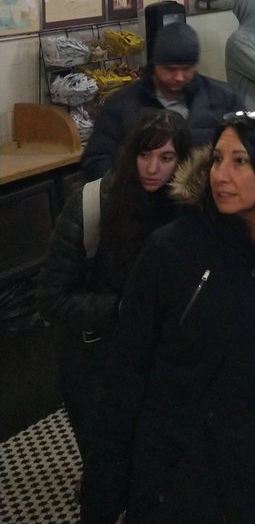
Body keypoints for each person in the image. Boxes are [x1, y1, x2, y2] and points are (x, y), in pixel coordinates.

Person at [79, 112, 255, 524]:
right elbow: (125, 378)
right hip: (176, 476)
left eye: (240, 162)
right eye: (218, 159)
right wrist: (101, 502)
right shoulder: (172, 252)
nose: (221, 175)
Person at [37, 111, 191, 464]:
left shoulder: (187, 210)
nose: (152, 168)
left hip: (158, 357)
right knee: (105, 455)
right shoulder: (91, 205)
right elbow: (50, 299)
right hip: (97, 358)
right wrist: (121, 308)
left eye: (166, 157)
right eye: (144, 155)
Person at [81, 22, 240, 180]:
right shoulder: (121, 105)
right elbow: (96, 161)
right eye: (171, 69)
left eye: (186, 69)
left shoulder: (223, 98)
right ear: (155, 65)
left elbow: (243, 149)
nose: (179, 77)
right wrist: (134, 182)